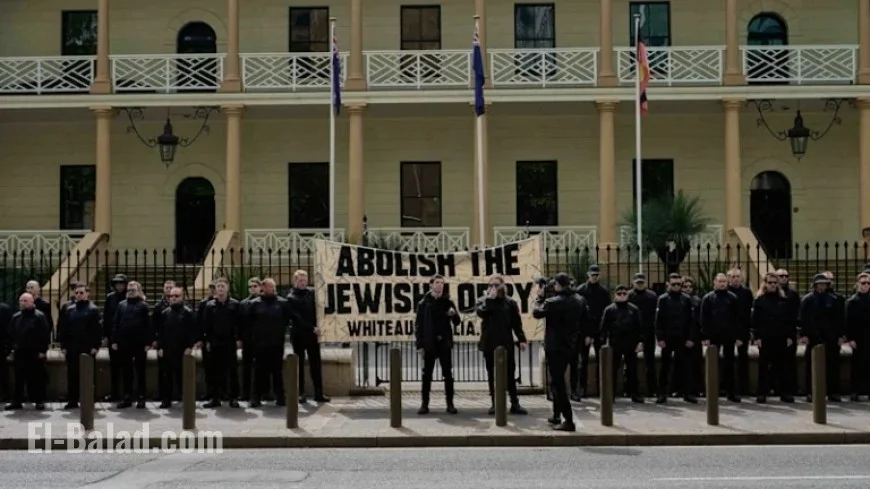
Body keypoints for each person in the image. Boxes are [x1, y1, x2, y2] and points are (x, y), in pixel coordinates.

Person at [534, 273, 585, 432]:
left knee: (558, 384)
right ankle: (556, 415)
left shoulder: (553, 302)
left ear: (558, 285)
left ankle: (568, 420)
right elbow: (586, 318)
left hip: (555, 347)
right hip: (570, 346)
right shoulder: (579, 300)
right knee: (557, 382)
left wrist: (539, 298)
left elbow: (537, 312)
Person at [476, 275, 528, 416]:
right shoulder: (484, 301)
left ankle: (514, 403)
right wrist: (490, 300)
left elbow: (516, 323)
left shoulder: (510, 303)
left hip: (506, 343)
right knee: (492, 374)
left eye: (496, 285)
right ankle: (495, 404)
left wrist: (522, 339)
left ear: (502, 286)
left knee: (510, 374)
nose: (493, 287)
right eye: (491, 285)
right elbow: (481, 313)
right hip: (489, 344)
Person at [414, 274, 460, 415]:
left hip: (444, 343)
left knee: (448, 374)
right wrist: (420, 346)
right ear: (431, 285)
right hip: (429, 343)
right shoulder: (424, 303)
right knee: (427, 375)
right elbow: (419, 326)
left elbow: (457, 322)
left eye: (442, 283)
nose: (440, 285)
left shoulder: (447, 301)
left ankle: (450, 404)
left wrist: (453, 314)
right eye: (437, 282)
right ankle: (424, 404)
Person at [799, 273, 844, 403]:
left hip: (831, 336)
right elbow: (802, 318)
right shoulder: (807, 299)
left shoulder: (834, 299)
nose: (822, 286)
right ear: (814, 285)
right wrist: (804, 334)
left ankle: (833, 392)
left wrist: (840, 335)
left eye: (824, 284)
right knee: (811, 365)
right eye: (819, 284)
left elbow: (839, 319)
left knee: (833, 365)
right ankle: (810, 392)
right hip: (813, 336)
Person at [750, 272, 795, 403]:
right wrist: (757, 337)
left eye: (775, 283)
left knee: (782, 366)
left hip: (781, 336)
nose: (773, 285)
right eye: (770, 283)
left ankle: (784, 392)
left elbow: (789, 320)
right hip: (765, 338)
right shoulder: (759, 300)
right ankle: (762, 393)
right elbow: (755, 321)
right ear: (765, 284)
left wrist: (790, 336)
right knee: (764, 366)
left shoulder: (784, 300)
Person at [287, 270, 330, 404]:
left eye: (305, 280)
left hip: (312, 335)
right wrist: (312, 328)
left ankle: (319, 393)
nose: (303, 282)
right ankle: (301, 394)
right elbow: (296, 318)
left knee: (315, 364)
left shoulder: (312, 293)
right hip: (299, 335)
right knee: (298, 365)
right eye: (300, 280)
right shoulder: (291, 297)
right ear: (295, 281)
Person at [654, 273, 697, 404]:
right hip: (667, 339)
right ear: (668, 285)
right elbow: (658, 321)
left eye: (679, 284)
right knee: (665, 367)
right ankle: (662, 394)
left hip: (683, 338)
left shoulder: (687, 299)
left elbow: (692, 321)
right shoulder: (662, 299)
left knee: (686, 367)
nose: (677, 286)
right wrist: (660, 338)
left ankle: (687, 393)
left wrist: (691, 338)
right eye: (674, 284)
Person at [57, 283, 102, 409]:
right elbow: (63, 328)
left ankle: (89, 399)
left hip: (87, 348)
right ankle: (72, 399)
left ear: (87, 293)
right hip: (72, 347)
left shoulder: (93, 309)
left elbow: (97, 330)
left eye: (81, 292)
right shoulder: (69, 308)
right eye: (76, 293)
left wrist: (95, 346)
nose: (78, 295)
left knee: (88, 374)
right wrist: (63, 345)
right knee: (72, 374)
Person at [247, 278, 290, 408]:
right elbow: (249, 322)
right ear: (263, 288)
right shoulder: (254, 304)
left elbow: (287, 320)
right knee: (259, 371)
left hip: (277, 343)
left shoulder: (282, 303)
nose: (270, 289)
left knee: (277, 371)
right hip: (260, 343)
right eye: (267, 287)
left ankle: (280, 397)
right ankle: (256, 397)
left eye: (272, 287)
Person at [5, 293, 51, 410]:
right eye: (21, 301)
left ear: (32, 302)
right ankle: (17, 401)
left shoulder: (39, 316)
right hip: (20, 352)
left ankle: (39, 400)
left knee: (37, 378)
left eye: (25, 301)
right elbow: (10, 334)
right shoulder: (16, 317)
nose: (23, 303)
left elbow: (45, 335)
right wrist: (11, 349)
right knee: (19, 378)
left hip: (35, 353)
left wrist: (43, 350)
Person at [700, 273, 742, 403]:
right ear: (715, 282)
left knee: (729, 364)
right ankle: (712, 391)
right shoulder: (708, 298)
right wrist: (705, 336)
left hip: (729, 336)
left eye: (724, 281)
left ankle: (730, 392)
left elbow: (737, 319)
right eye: (720, 281)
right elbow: (704, 318)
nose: (722, 283)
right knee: (713, 365)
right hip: (713, 337)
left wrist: (738, 337)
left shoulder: (733, 298)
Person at [202, 277, 242, 408]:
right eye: (218, 286)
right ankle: (215, 398)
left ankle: (233, 397)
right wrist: (207, 341)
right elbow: (206, 325)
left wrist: (238, 339)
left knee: (232, 370)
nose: (220, 289)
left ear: (227, 288)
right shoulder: (209, 306)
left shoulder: (235, 304)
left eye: (223, 286)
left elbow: (239, 324)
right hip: (215, 342)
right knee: (215, 371)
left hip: (229, 342)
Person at [155, 287, 198, 409]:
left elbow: (192, 331)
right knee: (166, 376)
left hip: (182, 349)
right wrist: (160, 347)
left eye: (176, 296)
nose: (173, 298)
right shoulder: (165, 313)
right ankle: (166, 400)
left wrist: (190, 346)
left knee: (182, 376)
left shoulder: (188, 312)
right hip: (168, 349)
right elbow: (161, 332)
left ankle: (185, 399)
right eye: (171, 296)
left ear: (182, 297)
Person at [601, 284, 645, 404]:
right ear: (615, 295)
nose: (622, 296)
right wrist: (604, 343)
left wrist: (640, 342)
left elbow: (640, 327)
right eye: (619, 294)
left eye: (624, 293)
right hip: (615, 343)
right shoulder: (609, 309)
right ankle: (611, 394)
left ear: (627, 295)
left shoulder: (634, 309)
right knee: (613, 370)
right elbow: (604, 328)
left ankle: (634, 394)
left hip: (631, 343)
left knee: (632, 370)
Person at [112, 281, 153, 409]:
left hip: (140, 344)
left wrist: (148, 342)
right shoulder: (121, 305)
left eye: (133, 290)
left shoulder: (143, 306)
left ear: (138, 291)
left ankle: (141, 397)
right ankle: (127, 397)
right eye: (129, 290)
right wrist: (114, 341)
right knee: (126, 371)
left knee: (140, 371)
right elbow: (116, 324)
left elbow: (148, 326)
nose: (130, 292)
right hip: (124, 343)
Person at [574, 264, 611, 400]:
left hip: (599, 330)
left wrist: (603, 333)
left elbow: (607, 313)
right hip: (584, 332)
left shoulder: (604, 292)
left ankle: (601, 388)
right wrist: (586, 333)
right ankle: (582, 389)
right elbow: (579, 314)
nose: (594, 277)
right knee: (582, 361)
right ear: (588, 275)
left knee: (601, 360)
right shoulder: (581, 290)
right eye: (592, 275)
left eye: (596, 275)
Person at [627, 273, 658, 397]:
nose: (639, 284)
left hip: (648, 331)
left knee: (650, 362)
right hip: (632, 333)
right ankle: (631, 389)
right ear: (633, 282)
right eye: (637, 282)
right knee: (630, 363)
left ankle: (652, 389)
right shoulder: (629, 295)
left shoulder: (652, 296)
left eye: (641, 282)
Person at [727, 268, 753, 396]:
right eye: (733, 277)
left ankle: (744, 388)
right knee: (728, 360)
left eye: (738, 276)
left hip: (743, 331)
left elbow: (748, 314)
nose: (736, 279)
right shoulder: (725, 292)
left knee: (743, 360)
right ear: (728, 279)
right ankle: (728, 388)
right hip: (728, 332)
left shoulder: (746, 292)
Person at [102, 274, 127, 402]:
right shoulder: (110, 298)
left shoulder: (129, 297)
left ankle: (127, 393)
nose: (119, 286)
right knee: (114, 366)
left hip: (127, 337)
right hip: (113, 337)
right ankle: (114, 392)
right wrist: (106, 336)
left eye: (121, 283)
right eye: (117, 283)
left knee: (126, 366)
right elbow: (106, 318)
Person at [776, 268, 801, 396]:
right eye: (781, 276)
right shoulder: (773, 294)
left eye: (786, 276)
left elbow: (796, 315)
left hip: (790, 333)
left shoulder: (793, 294)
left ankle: (792, 388)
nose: (784, 278)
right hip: (775, 334)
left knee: (790, 362)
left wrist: (793, 334)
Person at [846, 273, 870, 402]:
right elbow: (848, 322)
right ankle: (854, 391)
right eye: (863, 283)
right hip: (858, 337)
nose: (866, 285)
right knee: (857, 365)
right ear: (857, 284)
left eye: (868, 283)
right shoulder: (852, 301)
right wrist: (850, 339)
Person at [239, 277, 261, 401]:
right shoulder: (243, 303)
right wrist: (240, 338)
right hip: (247, 341)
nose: (252, 289)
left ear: (260, 287)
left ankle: (261, 393)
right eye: (250, 287)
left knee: (261, 368)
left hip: (261, 341)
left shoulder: (264, 301)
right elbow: (240, 323)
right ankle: (245, 393)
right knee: (246, 368)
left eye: (255, 286)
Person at [152, 281, 174, 402]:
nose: (169, 290)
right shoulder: (158, 306)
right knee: (163, 371)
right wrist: (156, 342)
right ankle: (164, 395)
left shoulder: (182, 306)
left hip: (176, 343)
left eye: (171, 287)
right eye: (167, 288)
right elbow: (155, 326)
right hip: (163, 343)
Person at [0, 300, 12, 401]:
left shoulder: (4, 308)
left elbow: (9, 328)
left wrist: (8, 347)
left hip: (1, 346)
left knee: (3, 372)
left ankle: (5, 394)